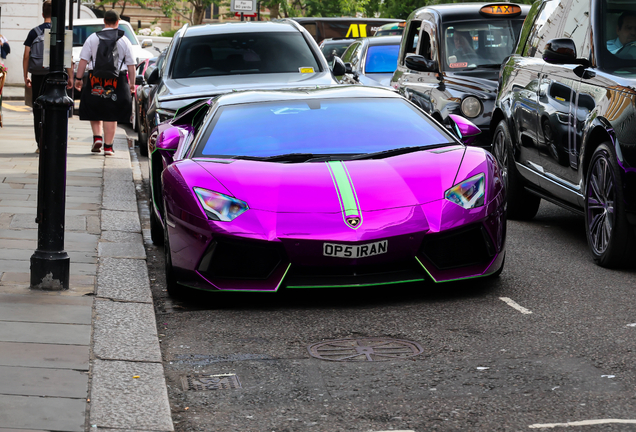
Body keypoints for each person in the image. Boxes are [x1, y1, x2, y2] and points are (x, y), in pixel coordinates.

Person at [74, 9, 135, 155]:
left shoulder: (93, 38)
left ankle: (97, 138)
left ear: (104, 21)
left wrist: (78, 79)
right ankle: (108, 147)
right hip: (117, 78)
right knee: (112, 112)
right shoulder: (124, 40)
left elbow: (83, 60)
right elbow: (131, 65)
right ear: (117, 22)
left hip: (95, 77)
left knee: (95, 107)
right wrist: (132, 84)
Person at [23, 1, 74, 153]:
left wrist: (25, 75)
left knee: (38, 108)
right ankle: (54, 142)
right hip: (57, 74)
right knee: (57, 107)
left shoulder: (34, 32)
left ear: (43, 13)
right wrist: (70, 76)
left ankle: (40, 143)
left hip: (38, 74)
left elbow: (26, 56)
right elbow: (68, 57)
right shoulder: (60, 31)